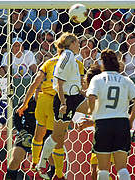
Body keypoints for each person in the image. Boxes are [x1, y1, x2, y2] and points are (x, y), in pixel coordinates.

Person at [18, 32, 86, 180]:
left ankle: (35, 163)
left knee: (39, 133)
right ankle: (58, 174)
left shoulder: (49, 63)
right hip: (62, 99)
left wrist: (25, 103)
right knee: (58, 139)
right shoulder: (77, 63)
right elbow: (80, 85)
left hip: (44, 100)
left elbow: (36, 82)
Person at [86, 49, 135, 180]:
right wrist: (131, 120)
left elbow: (91, 97)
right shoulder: (126, 80)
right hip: (121, 123)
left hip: (103, 124)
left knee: (103, 170)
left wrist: (91, 113)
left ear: (102, 63)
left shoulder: (97, 79)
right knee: (122, 168)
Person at [6, 97, 37, 180]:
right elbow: (16, 118)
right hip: (26, 133)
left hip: (45, 133)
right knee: (14, 161)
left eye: (42, 83)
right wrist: (23, 132)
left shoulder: (50, 99)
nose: (39, 89)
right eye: (37, 87)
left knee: (53, 159)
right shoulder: (26, 101)